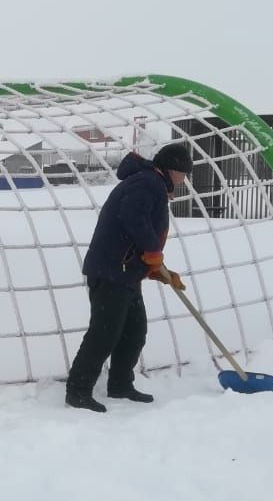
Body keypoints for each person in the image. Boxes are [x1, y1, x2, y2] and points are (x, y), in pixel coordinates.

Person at [64, 143, 193, 412]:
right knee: (105, 333)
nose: (184, 180)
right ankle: (78, 390)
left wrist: (157, 268)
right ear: (173, 169)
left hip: (126, 272)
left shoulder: (150, 182)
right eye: (184, 173)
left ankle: (121, 384)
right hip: (111, 271)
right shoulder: (148, 182)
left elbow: (139, 230)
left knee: (134, 331)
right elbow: (134, 217)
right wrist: (152, 251)